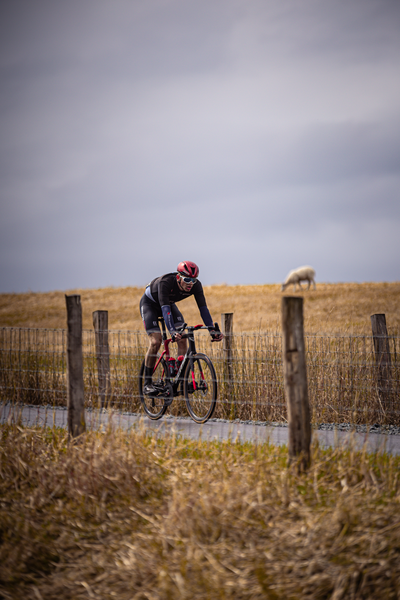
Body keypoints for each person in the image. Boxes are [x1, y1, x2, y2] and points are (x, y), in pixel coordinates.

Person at [140, 261, 223, 394]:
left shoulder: (196, 286)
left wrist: (211, 329)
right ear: (178, 277)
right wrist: (172, 331)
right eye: (187, 279)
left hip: (169, 304)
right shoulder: (165, 282)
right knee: (156, 342)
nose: (191, 283)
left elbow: (203, 309)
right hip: (151, 305)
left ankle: (180, 378)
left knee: (183, 338)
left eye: (193, 280)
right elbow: (165, 309)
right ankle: (147, 384)